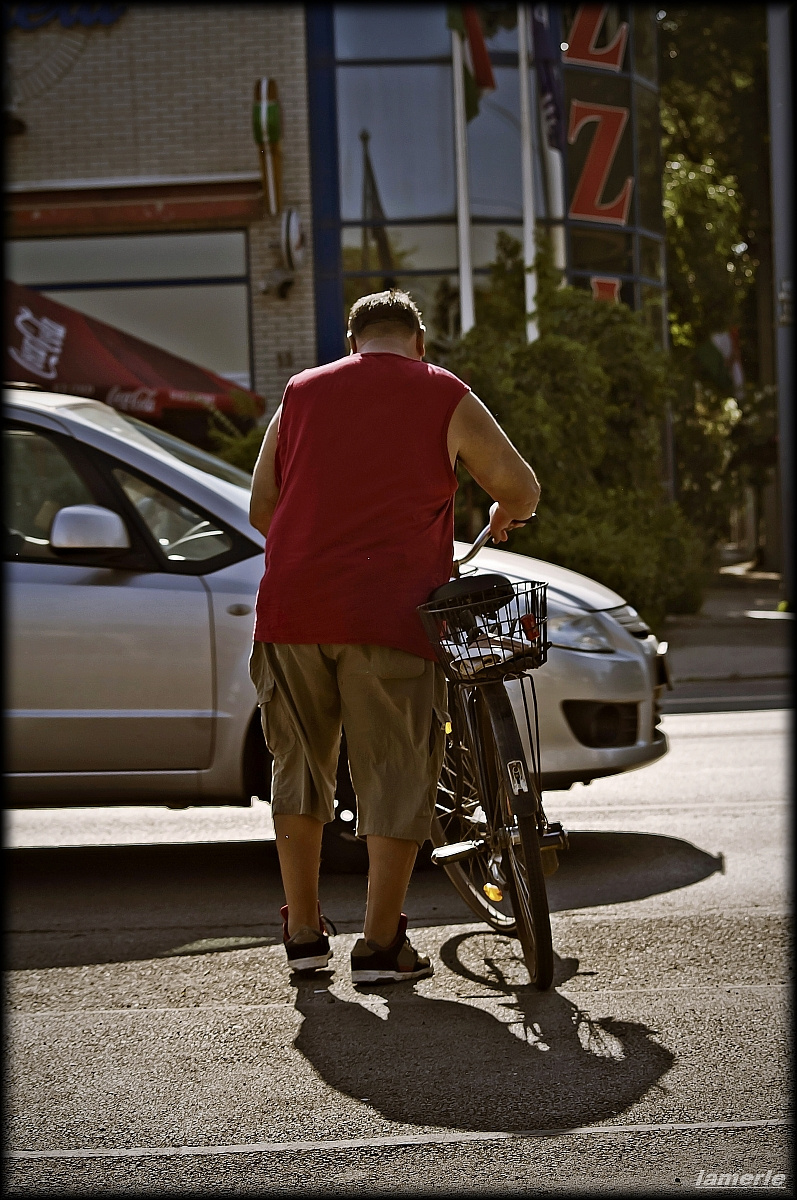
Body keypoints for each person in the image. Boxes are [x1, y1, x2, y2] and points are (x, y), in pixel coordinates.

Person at [249, 290, 539, 983]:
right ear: (419, 342)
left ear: (353, 343)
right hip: (392, 616)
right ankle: (380, 947)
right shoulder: (442, 392)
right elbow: (520, 486)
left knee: (298, 769)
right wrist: (501, 511)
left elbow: (263, 506)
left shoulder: (301, 393)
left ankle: (301, 933)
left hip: (293, 611)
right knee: (394, 772)